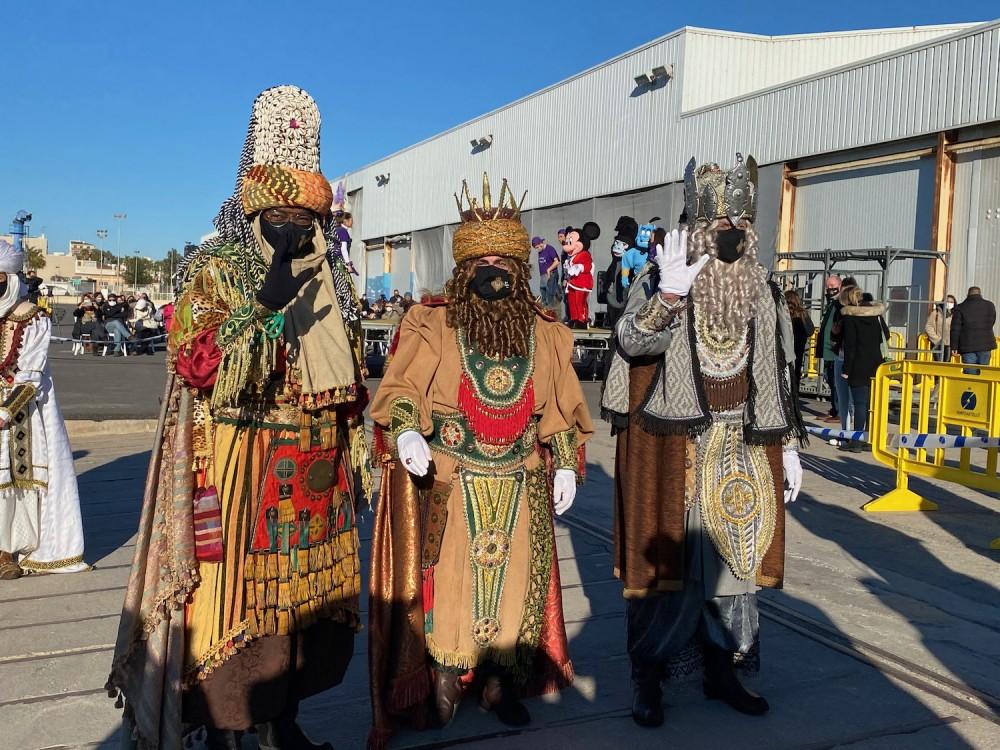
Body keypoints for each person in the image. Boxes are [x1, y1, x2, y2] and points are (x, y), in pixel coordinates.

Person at [107, 85, 369, 750]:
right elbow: (196, 362)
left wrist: (359, 438)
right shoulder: (217, 268)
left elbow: (351, 375)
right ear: (253, 209)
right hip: (240, 462)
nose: (294, 228)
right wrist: (262, 308)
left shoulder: (334, 276)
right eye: (279, 215)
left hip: (317, 467)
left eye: (305, 216)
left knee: (306, 610)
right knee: (238, 602)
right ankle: (228, 729)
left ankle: (283, 722)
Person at [368, 174, 592, 746]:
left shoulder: (544, 332)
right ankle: (446, 674)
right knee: (451, 583)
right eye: (481, 263)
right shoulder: (435, 322)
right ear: (463, 269)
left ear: (520, 270)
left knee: (516, 583)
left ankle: (498, 681)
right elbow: (403, 388)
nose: (494, 272)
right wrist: (407, 430)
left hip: (520, 476)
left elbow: (561, 404)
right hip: (455, 474)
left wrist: (566, 460)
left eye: (504, 263)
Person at [602, 154, 805, 728]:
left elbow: (778, 372)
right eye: (718, 226)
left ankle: (723, 670)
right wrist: (668, 296)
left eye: (740, 226)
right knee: (667, 570)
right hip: (676, 444)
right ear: (696, 229)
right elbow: (630, 343)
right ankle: (648, 677)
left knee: (735, 568)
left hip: (743, 441)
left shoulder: (762, 290)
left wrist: (788, 445)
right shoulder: (663, 278)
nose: (730, 235)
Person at [0, 240, 87, 579]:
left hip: (20, 410)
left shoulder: (32, 317)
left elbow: (30, 375)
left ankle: (7, 551)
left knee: (15, 480)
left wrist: (6, 411)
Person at [839, 286, 888, 453]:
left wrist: (846, 369)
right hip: (876, 363)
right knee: (870, 404)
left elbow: (850, 346)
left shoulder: (850, 317)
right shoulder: (876, 315)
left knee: (859, 403)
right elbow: (886, 335)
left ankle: (856, 441)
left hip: (858, 365)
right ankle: (869, 439)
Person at [815, 274, 842, 422]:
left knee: (836, 381)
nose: (830, 289)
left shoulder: (840, 304)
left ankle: (840, 411)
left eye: (832, 286)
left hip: (834, 350)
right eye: (828, 287)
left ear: (840, 285)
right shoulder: (831, 303)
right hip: (827, 350)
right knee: (829, 379)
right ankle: (834, 409)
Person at [601, 216, 636, 330]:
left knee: (621, 317)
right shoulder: (615, 262)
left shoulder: (631, 262)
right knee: (613, 315)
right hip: (613, 294)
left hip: (625, 295)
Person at [562, 222, 600, 329]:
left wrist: (579, 267)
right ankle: (574, 318)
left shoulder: (585, 254)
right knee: (571, 301)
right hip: (572, 283)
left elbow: (588, 266)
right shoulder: (572, 256)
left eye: (570, 242)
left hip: (582, 283)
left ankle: (582, 320)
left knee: (580, 302)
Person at [951, 286, 997, 371]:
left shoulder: (960, 307)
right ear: (980, 294)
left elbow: (955, 329)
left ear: (967, 294)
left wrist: (954, 347)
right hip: (985, 345)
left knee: (970, 374)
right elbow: (992, 322)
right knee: (983, 373)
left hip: (967, 345)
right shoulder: (990, 305)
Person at [784, 289, 815, 393]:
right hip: (798, 350)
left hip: (784, 349)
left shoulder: (783, 313)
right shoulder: (802, 313)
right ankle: (794, 397)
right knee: (795, 375)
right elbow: (810, 331)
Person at [925, 295, 956, 362]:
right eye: (947, 301)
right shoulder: (936, 312)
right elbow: (928, 326)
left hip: (949, 344)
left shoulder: (955, 314)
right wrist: (936, 339)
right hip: (938, 343)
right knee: (938, 363)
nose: (949, 303)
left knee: (946, 364)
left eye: (951, 302)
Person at [532, 236, 560, 308]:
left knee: (550, 295)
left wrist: (549, 270)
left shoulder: (550, 249)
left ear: (540, 243)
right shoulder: (540, 251)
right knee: (543, 292)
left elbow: (557, 262)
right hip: (543, 275)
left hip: (550, 274)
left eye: (537, 247)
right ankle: (544, 309)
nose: (537, 249)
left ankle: (551, 309)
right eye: (536, 248)